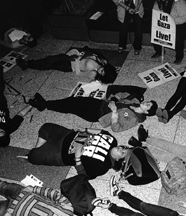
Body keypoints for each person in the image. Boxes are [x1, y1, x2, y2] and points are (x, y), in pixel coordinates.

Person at [18, 123, 125, 180]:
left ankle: (39, 151)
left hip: (60, 153)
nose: (121, 148)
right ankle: (40, 147)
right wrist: (86, 130)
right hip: (67, 135)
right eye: (124, 147)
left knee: (33, 157)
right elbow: (103, 131)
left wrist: (77, 158)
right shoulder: (113, 141)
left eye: (122, 152)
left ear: (118, 160)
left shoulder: (103, 166)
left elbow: (84, 175)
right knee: (46, 127)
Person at [29, 92, 157, 133]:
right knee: (73, 100)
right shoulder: (134, 101)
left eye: (148, 105)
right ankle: (45, 104)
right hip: (100, 103)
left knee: (72, 107)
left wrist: (114, 112)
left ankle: (44, 105)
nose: (146, 102)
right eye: (148, 101)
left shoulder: (134, 119)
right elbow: (122, 94)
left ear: (146, 112)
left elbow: (116, 129)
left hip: (97, 115)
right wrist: (113, 99)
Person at [16, 46, 118, 84]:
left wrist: (78, 60)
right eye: (103, 70)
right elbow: (91, 53)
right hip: (71, 57)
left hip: (69, 66)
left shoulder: (93, 74)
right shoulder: (103, 61)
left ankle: (28, 64)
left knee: (50, 64)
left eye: (102, 73)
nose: (101, 70)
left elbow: (78, 73)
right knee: (49, 59)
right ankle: (28, 63)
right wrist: (79, 53)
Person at [151, 0, 186, 64]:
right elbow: (156, 15)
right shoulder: (158, 2)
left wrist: (169, 23)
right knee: (154, 32)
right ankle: (159, 51)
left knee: (177, 36)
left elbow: (184, 18)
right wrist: (163, 24)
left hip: (184, 23)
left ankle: (179, 56)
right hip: (166, 23)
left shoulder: (180, 2)